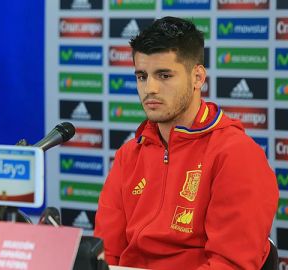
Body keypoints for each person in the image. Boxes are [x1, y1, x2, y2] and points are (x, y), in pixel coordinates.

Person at [94, 17, 278, 269]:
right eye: (142, 76)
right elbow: (106, 253)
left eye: (164, 75)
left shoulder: (237, 154)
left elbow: (229, 264)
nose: (150, 88)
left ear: (198, 77)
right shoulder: (129, 154)